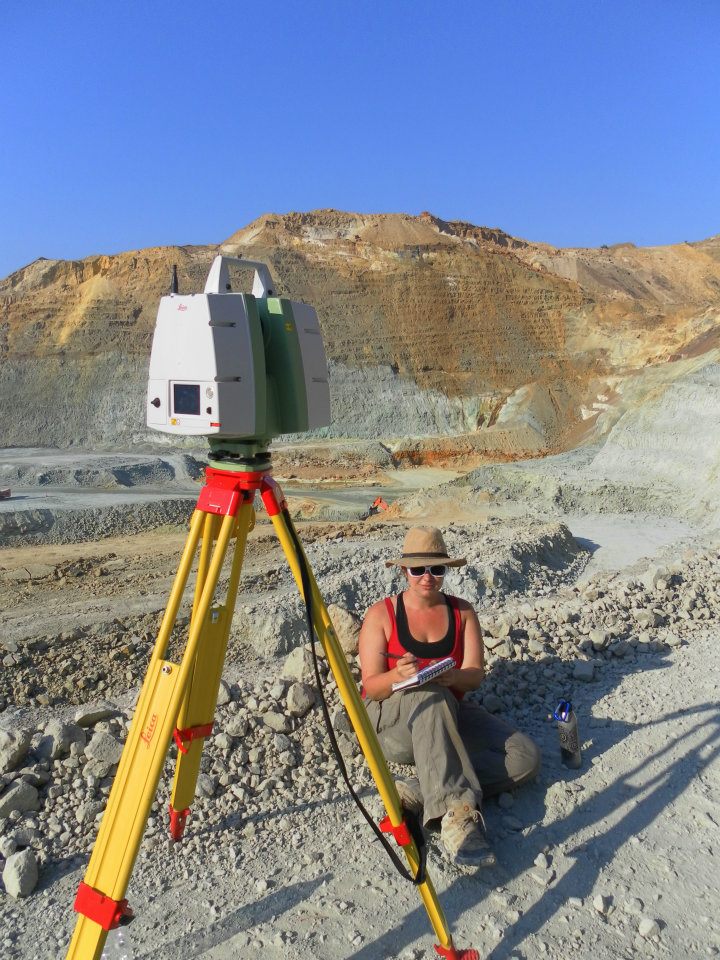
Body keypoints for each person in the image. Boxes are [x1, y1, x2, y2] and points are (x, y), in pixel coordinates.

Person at [359, 526, 541, 868]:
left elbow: (474, 675)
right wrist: (398, 676)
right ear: (403, 571)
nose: (427, 577)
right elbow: (372, 687)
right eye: (418, 570)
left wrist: (454, 676)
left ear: (446, 571)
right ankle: (457, 817)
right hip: (392, 723)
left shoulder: (463, 613)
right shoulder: (381, 615)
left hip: (446, 712)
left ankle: (420, 788)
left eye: (436, 569)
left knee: (525, 757)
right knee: (432, 695)